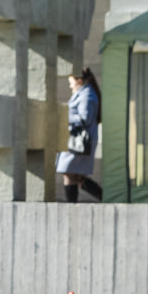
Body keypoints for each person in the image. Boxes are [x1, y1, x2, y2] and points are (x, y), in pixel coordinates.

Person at [56, 68, 103, 203]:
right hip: (78, 141)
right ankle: (104, 197)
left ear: (79, 81)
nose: (70, 85)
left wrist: (64, 116)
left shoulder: (86, 95)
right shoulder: (84, 92)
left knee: (69, 173)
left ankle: (71, 206)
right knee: (75, 175)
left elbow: (85, 118)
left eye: (71, 82)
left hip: (79, 141)